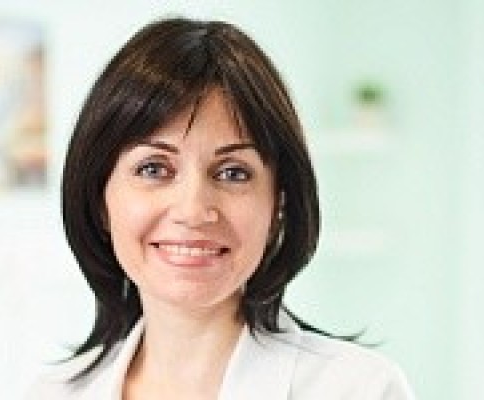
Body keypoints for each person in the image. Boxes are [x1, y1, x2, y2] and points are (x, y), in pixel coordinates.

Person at [26, 17, 415, 400]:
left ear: (278, 203)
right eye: (154, 169)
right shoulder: (52, 394)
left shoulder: (362, 389)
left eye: (233, 173)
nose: (193, 210)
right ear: (100, 199)